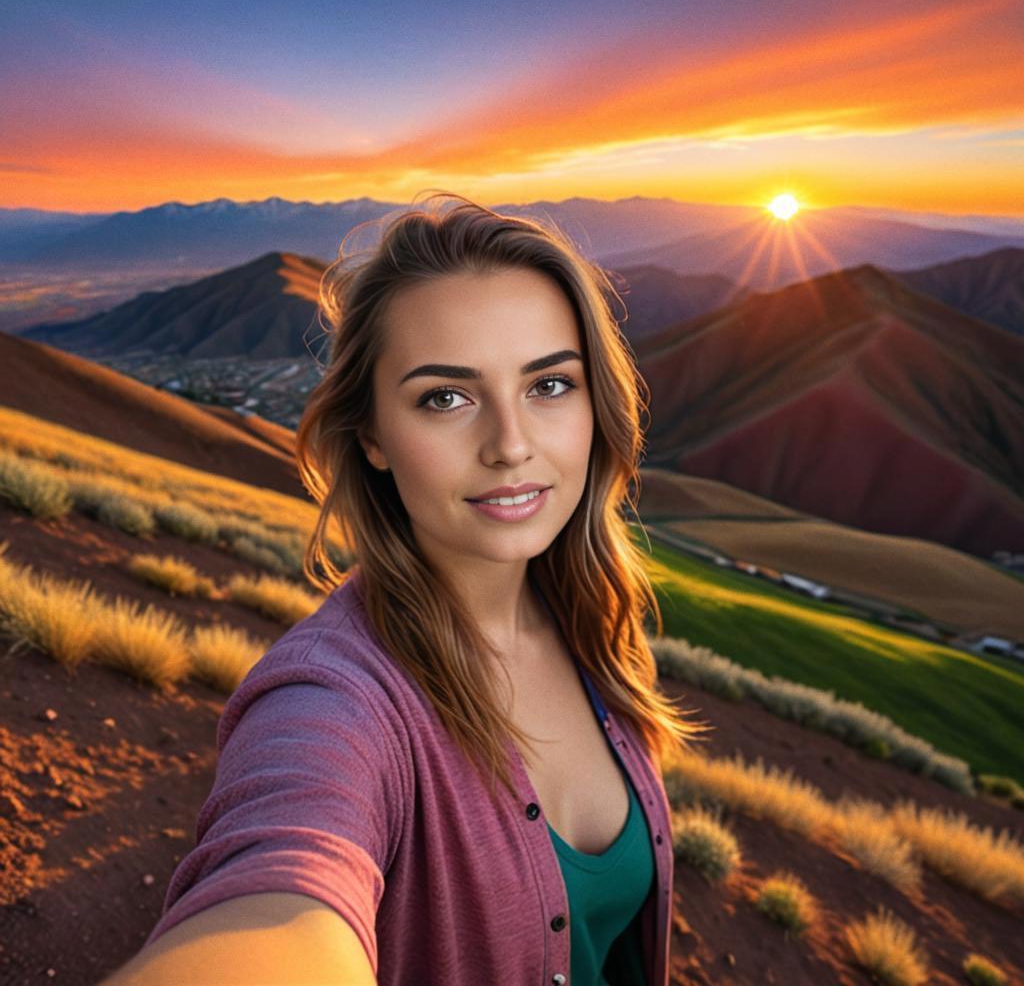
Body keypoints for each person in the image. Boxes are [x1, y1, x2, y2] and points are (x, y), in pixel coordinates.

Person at [100, 191, 707, 986]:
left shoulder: (591, 620)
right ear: (374, 438)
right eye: (446, 398)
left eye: (549, 385)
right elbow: (286, 883)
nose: (511, 445)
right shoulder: (333, 697)